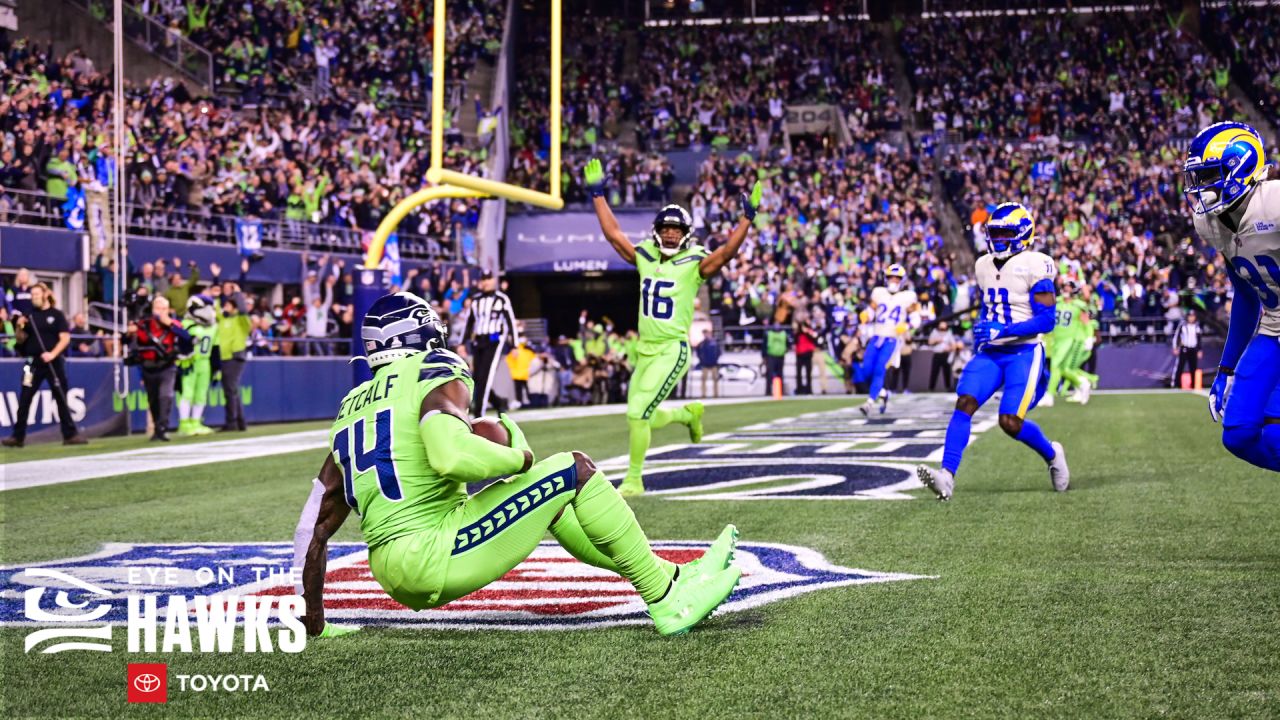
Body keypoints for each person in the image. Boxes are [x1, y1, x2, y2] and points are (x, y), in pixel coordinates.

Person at [294, 293, 743, 639]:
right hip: (436, 552)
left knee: (551, 497)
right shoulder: (433, 368)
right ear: (417, 335)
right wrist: (516, 456)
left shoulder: (351, 408)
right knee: (574, 470)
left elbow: (312, 527)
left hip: (391, 568)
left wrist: (314, 620)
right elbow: (449, 455)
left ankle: (675, 574)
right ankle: (666, 600)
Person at [584, 157, 762, 496]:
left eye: (676, 229)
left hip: (672, 349)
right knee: (641, 416)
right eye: (665, 228)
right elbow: (613, 236)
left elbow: (725, 254)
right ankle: (686, 414)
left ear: (685, 234)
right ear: (656, 230)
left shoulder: (694, 260)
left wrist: (746, 219)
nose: (669, 233)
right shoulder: (645, 255)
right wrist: (598, 194)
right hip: (645, 350)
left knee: (638, 412)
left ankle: (634, 479)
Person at [917, 203, 1070, 500]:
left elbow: (1046, 320)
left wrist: (1005, 331)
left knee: (1009, 422)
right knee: (964, 403)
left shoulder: (1035, 264)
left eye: (1005, 233)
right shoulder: (982, 264)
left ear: (1024, 234)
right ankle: (946, 476)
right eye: (994, 233)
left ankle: (1053, 454)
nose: (998, 239)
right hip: (992, 352)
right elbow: (991, 306)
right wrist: (983, 332)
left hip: (1023, 351)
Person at [1187, 122, 1280, 471]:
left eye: (1210, 175)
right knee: (1239, 434)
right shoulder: (1211, 223)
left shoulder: (1273, 202)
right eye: (1198, 178)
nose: (1202, 189)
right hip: (1273, 330)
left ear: (1241, 166)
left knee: (1272, 435)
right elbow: (1245, 295)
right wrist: (1226, 367)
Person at [2, 283, 89, 447]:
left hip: (53, 363)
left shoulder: (56, 315)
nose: (34, 297)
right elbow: (20, 340)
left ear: (45, 294)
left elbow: (65, 338)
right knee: (25, 397)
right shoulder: (28, 316)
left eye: (36, 294)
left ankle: (70, 434)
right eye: (32, 295)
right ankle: (17, 436)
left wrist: (52, 354)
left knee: (61, 397)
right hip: (32, 363)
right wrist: (19, 327)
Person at [855, 264, 918, 416]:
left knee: (879, 369)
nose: (894, 281)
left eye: (897, 278)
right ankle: (883, 392)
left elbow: (916, 318)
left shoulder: (908, 297)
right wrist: (866, 315)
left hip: (892, 339)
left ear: (902, 280)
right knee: (866, 370)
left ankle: (869, 403)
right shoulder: (879, 292)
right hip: (876, 336)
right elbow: (871, 310)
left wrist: (907, 325)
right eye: (891, 277)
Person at [128, 296, 192, 441]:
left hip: (167, 365)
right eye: (157, 308)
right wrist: (130, 332)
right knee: (153, 399)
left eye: (163, 308)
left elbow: (186, 337)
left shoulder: (173, 323)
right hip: (148, 366)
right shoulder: (144, 324)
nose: (160, 311)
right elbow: (132, 342)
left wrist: (169, 324)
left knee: (165, 396)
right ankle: (157, 427)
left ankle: (163, 427)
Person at [463, 269, 519, 416]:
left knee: (485, 378)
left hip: (494, 341)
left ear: (494, 280)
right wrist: (462, 343)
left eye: (488, 279)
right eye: (483, 279)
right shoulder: (476, 300)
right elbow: (469, 322)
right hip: (479, 341)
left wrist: (514, 345)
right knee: (476, 379)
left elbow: (510, 322)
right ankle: (499, 402)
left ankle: (478, 415)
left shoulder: (501, 299)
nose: (486, 282)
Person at [176, 295, 221, 436]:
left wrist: (216, 367)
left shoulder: (213, 327)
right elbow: (180, 344)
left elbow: (215, 348)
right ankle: (184, 423)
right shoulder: (186, 324)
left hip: (205, 362)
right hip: (190, 361)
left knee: (201, 394)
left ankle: (196, 422)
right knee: (187, 392)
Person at [217, 288, 252, 432]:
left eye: (228, 305)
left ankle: (231, 422)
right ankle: (240, 422)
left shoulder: (242, 319)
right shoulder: (223, 319)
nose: (225, 307)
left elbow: (243, 309)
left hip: (236, 356)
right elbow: (216, 305)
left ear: (234, 307)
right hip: (225, 357)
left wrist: (238, 293)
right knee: (231, 390)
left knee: (230, 390)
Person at [927, 321, 957, 392]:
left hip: (945, 354)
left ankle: (948, 387)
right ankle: (931, 388)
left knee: (946, 372)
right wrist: (937, 340)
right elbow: (930, 342)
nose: (942, 329)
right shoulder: (935, 332)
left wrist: (949, 348)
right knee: (934, 371)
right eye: (941, 327)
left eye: (944, 328)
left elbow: (954, 345)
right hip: (937, 354)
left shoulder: (948, 334)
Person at [696, 328, 721, 398]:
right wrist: (702, 360)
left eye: (706, 333)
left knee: (715, 379)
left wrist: (715, 359)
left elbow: (718, 352)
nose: (705, 335)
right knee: (703, 379)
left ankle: (716, 394)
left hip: (713, 364)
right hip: (705, 364)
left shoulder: (714, 343)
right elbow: (698, 353)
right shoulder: (701, 344)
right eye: (704, 333)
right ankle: (703, 394)